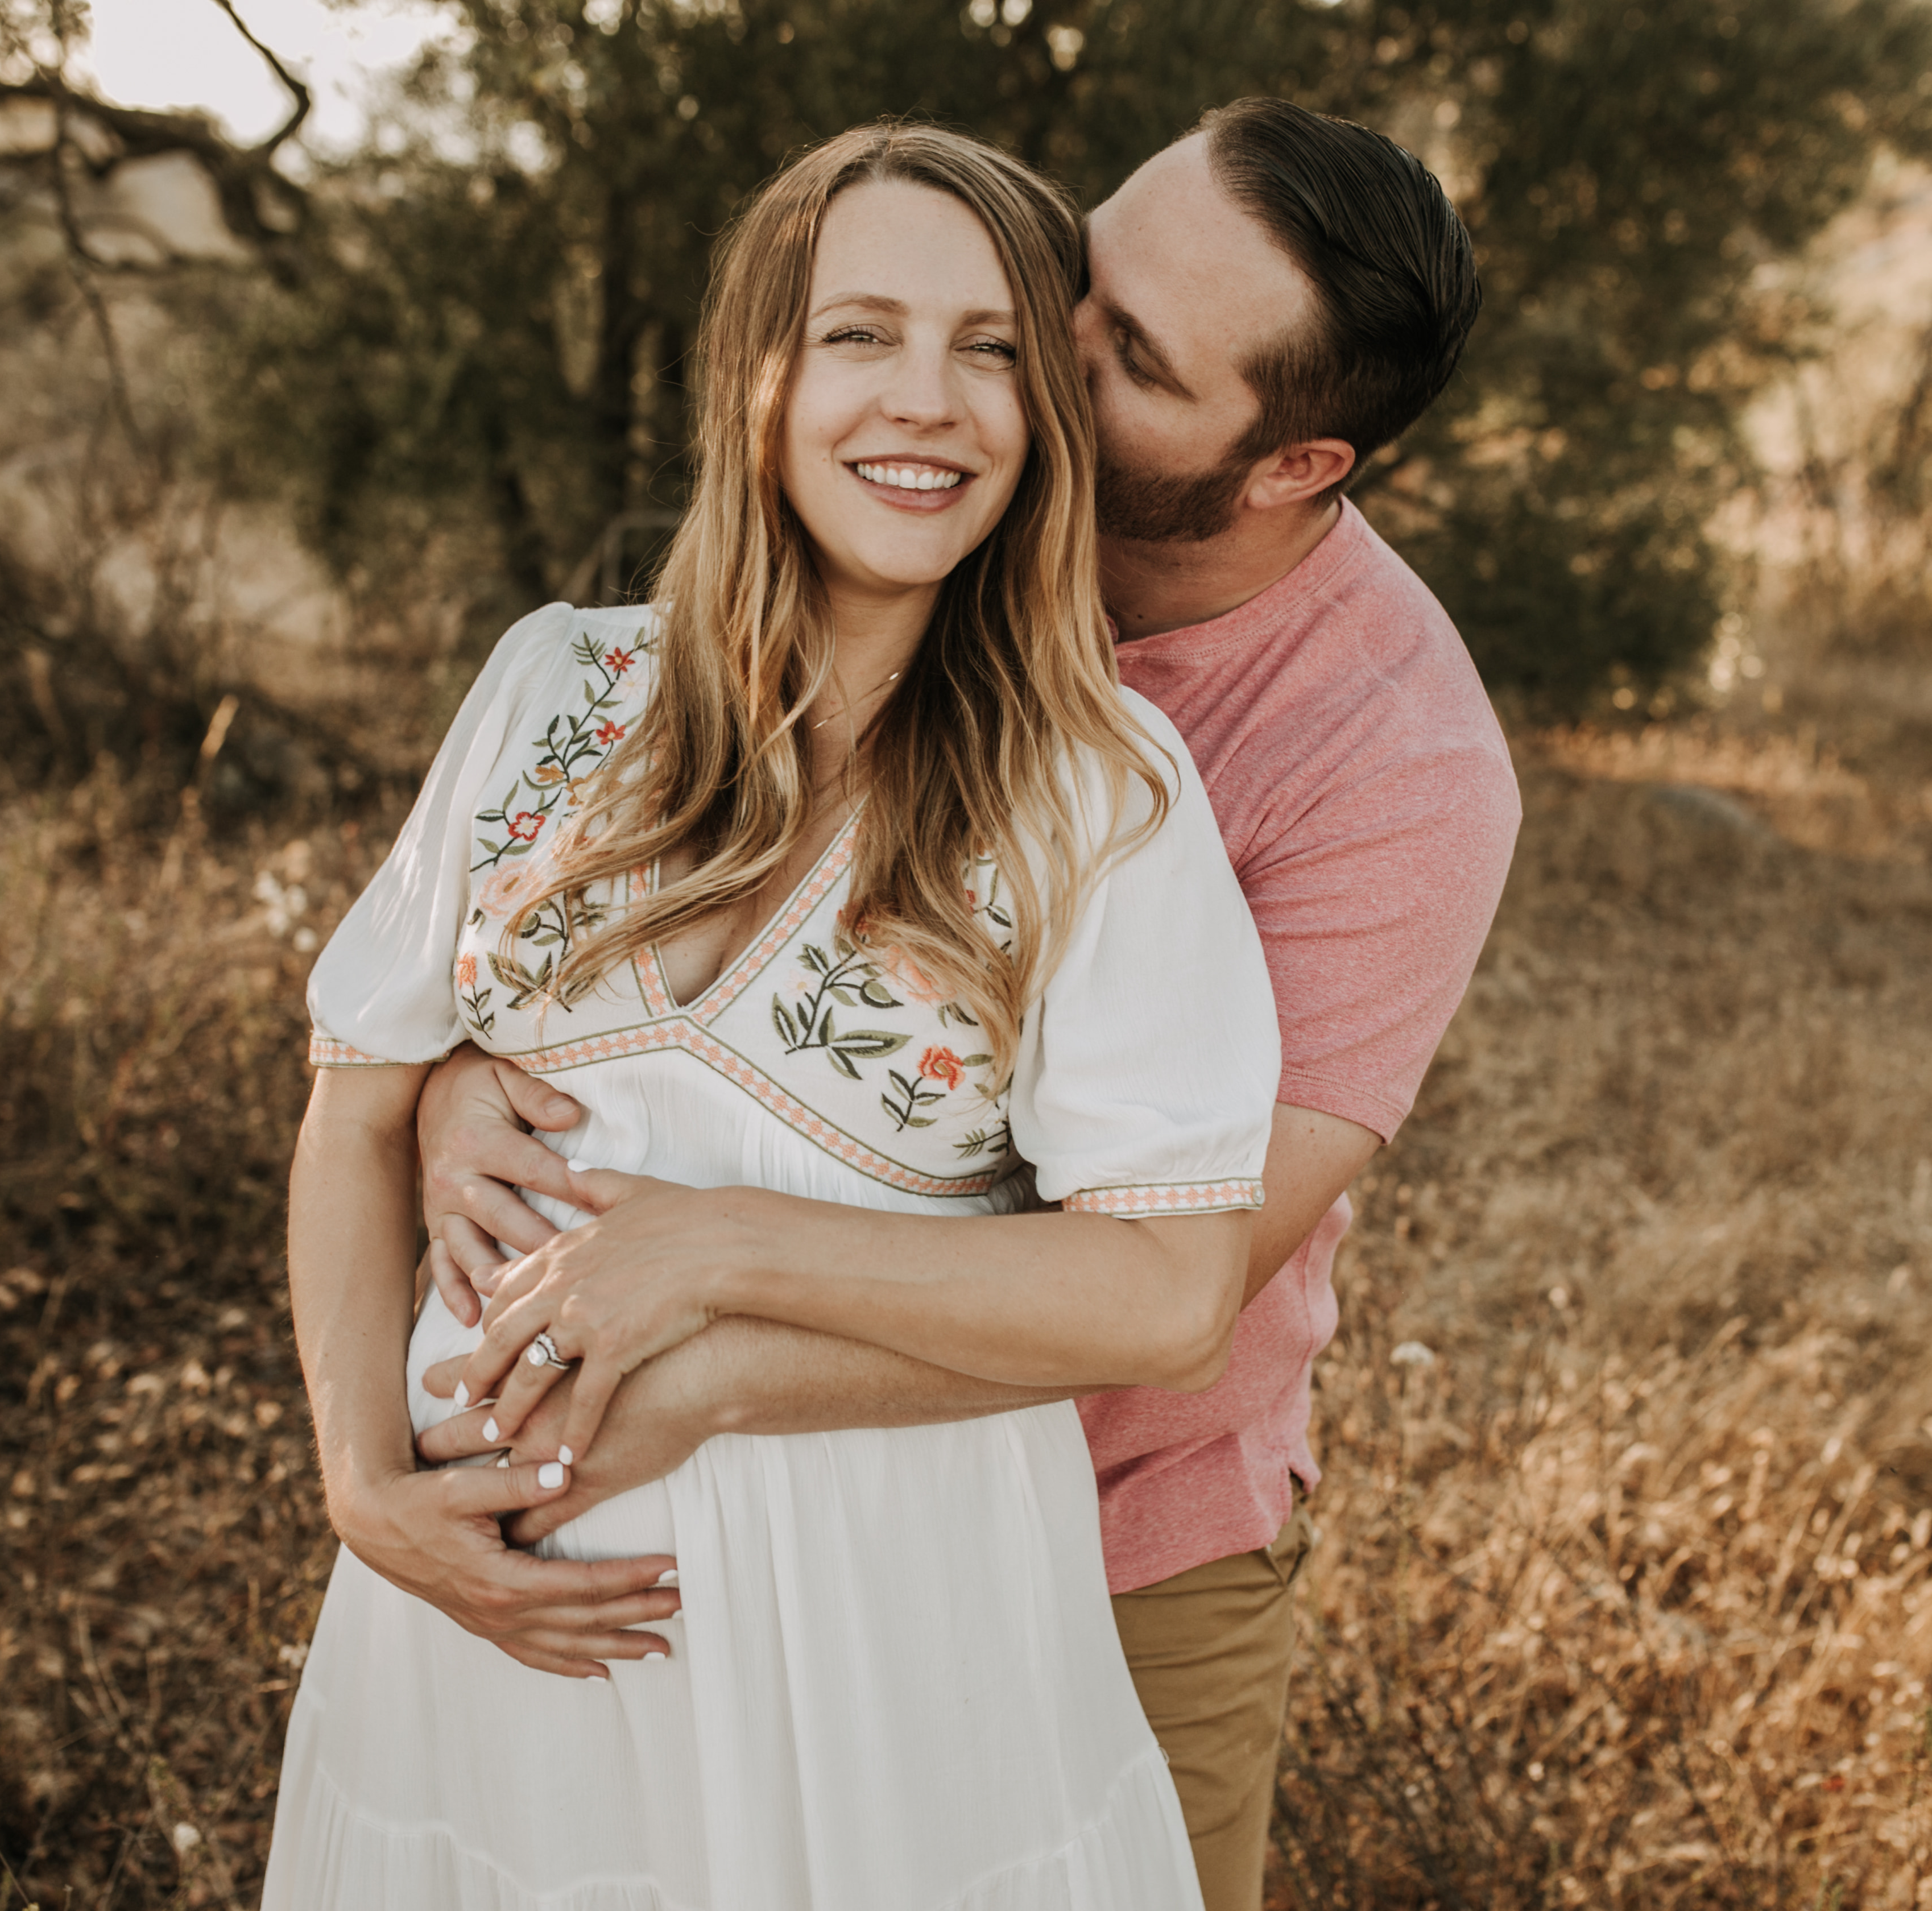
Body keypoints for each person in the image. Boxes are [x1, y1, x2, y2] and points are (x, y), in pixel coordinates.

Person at [389, 100, 1522, 1911]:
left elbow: (1178, 1274)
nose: (1033, 356)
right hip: (675, 1489)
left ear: (1293, 463)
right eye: (1080, 275)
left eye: (1128, 358)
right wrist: (466, 1063)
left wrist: (715, 1342)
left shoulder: (1398, 769)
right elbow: (632, 881)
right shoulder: (931, 498)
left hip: (1107, 1531)